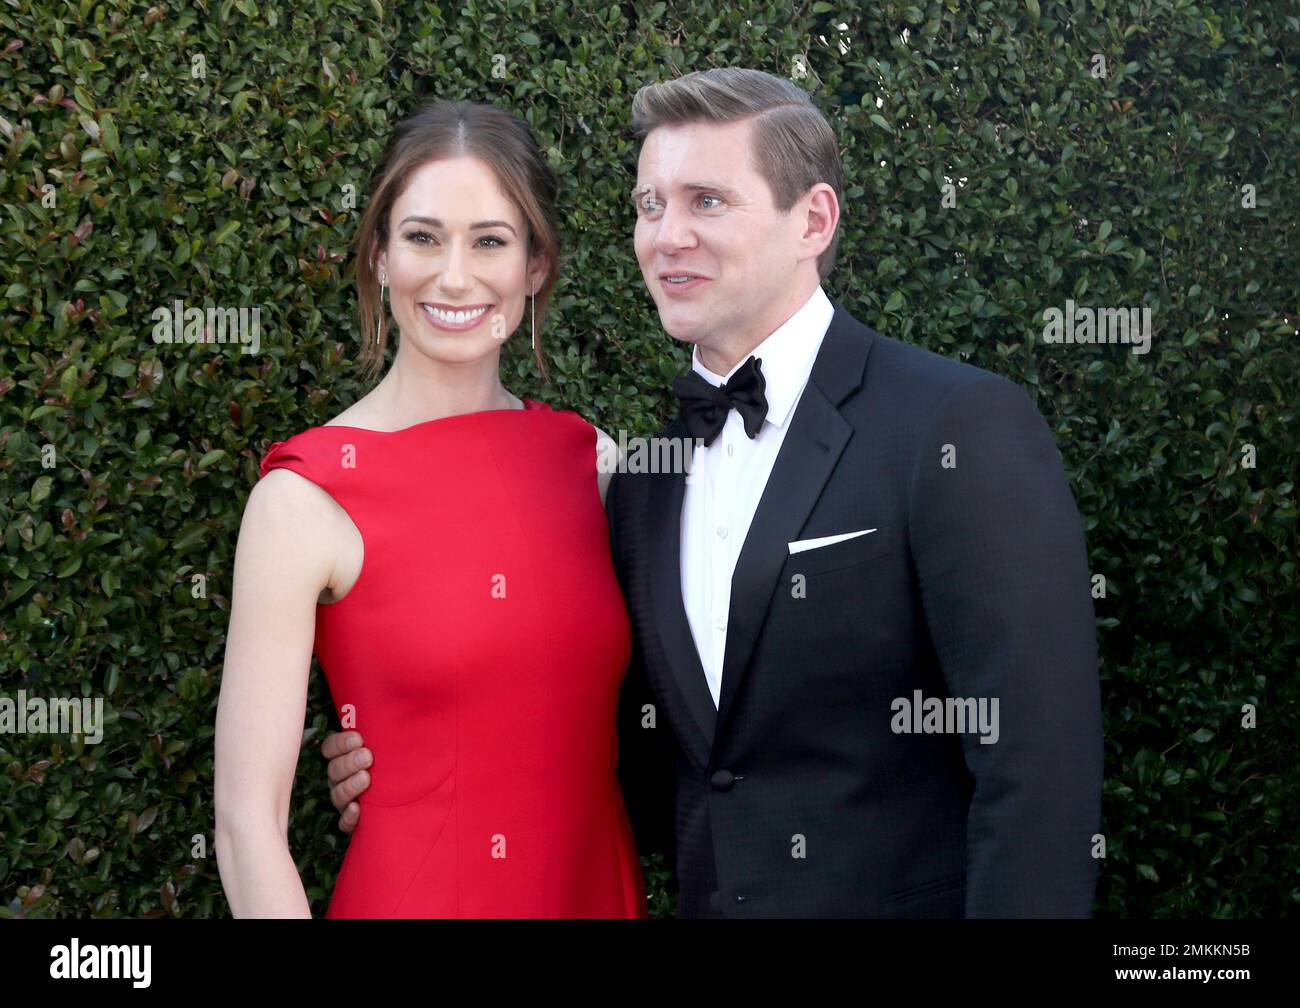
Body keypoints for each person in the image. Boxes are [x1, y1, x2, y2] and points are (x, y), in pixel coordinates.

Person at [326, 67, 1104, 918]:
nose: (666, 237)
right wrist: (410, 761)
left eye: (707, 202)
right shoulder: (639, 485)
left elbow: (1039, 767)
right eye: (650, 205)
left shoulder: (953, 426)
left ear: (812, 219)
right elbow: (619, 747)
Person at [214, 99, 646, 918]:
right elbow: (246, 823)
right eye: (422, 237)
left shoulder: (592, 464)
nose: (455, 276)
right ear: (379, 255)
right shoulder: (303, 498)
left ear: (536, 267)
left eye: (490, 240)